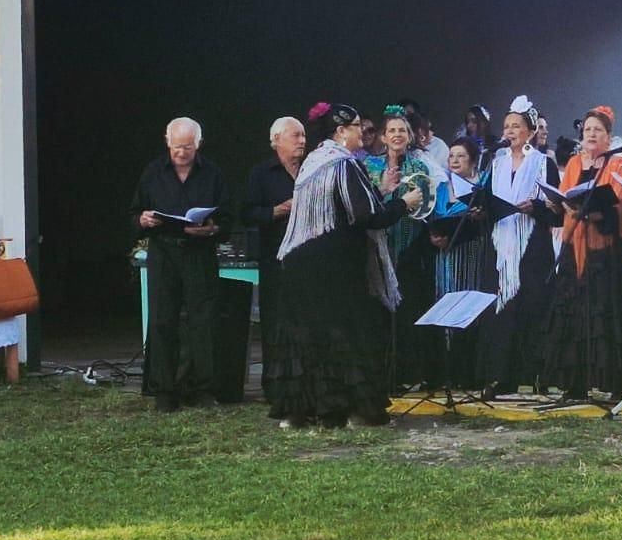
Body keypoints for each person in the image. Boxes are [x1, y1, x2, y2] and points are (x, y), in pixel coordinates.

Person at [269, 103, 421, 427]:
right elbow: (365, 217)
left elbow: (343, 206)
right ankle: (352, 411)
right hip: (333, 269)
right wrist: (402, 204)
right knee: (347, 335)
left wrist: (381, 192)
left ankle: (300, 412)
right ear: (340, 132)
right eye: (355, 127)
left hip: (302, 265)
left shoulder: (313, 163)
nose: (362, 133)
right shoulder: (342, 164)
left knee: (308, 339)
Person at [130, 117, 231, 412]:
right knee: (163, 320)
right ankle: (164, 390)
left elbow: (227, 216)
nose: (181, 153)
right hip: (164, 252)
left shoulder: (212, 173)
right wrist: (143, 220)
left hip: (199, 253)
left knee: (204, 322)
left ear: (198, 144)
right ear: (167, 141)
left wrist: (212, 229)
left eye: (187, 147)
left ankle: (204, 389)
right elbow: (134, 213)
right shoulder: (153, 172)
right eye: (176, 147)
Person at [541, 106, 622, 401]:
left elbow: (619, 203)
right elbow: (566, 195)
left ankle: (613, 381)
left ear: (608, 137)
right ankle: (576, 382)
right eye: (588, 129)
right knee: (573, 310)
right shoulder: (571, 163)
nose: (592, 134)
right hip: (575, 246)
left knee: (605, 311)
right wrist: (559, 205)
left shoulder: (619, 164)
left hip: (604, 250)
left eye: (598, 130)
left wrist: (592, 212)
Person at [477, 95, 559, 396]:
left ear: (530, 130)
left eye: (516, 126)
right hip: (500, 244)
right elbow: (484, 200)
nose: (510, 131)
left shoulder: (543, 164)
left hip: (532, 244)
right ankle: (501, 375)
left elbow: (557, 213)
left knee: (533, 307)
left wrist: (536, 208)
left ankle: (536, 373)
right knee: (501, 310)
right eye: (506, 126)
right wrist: (480, 211)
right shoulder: (495, 164)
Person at [365, 106, 438, 392]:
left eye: (402, 131)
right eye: (392, 130)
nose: (397, 135)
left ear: (410, 137)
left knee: (406, 312)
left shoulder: (419, 168)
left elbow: (426, 207)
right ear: (383, 137)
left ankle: (407, 373)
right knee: (378, 312)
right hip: (377, 248)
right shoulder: (370, 166)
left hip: (409, 247)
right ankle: (380, 373)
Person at [244, 116, 305, 415]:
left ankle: (303, 382)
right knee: (274, 324)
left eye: (304, 135)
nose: (302, 141)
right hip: (275, 258)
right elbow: (248, 213)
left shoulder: (311, 170)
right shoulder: (261, 173)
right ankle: (274, 384)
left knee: (304, 323)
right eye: (295, 136)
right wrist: (278, 210)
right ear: (277, 140)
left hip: (306, 259)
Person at [424, 137, 495, 393]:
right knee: (446, 306)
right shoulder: (442, 187)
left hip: (472, 253)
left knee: (469, 308)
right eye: (451, 156)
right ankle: (447, 371)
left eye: (461, 156)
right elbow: (433, 216)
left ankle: (469, 371)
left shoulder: (481, 186)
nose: (454, 160)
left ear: (473, 160)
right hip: (446, 255)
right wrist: (434, 235)